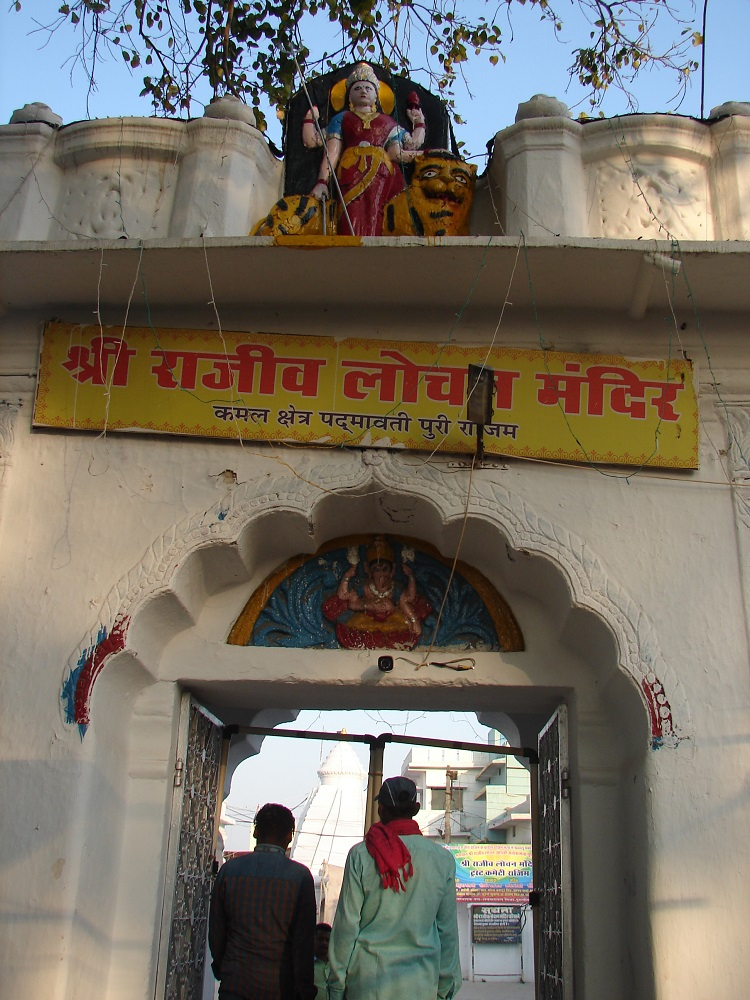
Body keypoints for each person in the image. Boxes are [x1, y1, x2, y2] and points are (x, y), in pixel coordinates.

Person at [327, 776, 462, 1000]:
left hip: (367, 983)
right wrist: (445, 988)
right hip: (421, 985)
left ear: (381, 809)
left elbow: (347, 925)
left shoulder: (361, 855)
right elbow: (447, 930)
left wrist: (337, 984)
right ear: (416, 808)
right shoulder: (442, 860)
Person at [209, 802, 317, 1000]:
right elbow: (303, 943)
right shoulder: (300, 877)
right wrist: (304, 988)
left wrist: (224, 967)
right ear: (289, 836)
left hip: (235, 983)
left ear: (256, 831)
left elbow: (217, 932)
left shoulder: (230, 871)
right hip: (280, 987)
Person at [302, 62, 425, 235]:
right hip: (350, 170)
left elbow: (407, 147)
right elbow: (326, 149)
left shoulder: (387, 122)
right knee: (349, 215)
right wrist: (322, 182)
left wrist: (419, 121)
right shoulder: (342, 119)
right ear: (349, 96)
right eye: (357, 88)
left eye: (368, 88)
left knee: (379, 213)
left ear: (376, 96)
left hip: (382, 173)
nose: (363, 91)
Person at [322, 537, 432, 650]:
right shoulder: (364, 586)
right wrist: (368, 604)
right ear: (369, 571)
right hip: (366, 620)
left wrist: (410, 577)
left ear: (392, 571)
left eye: (384, 569)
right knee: (356, 631)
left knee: (403, 632)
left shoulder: (395, 587)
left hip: (393, 620)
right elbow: (347, 600)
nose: (380, 574)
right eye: (376, 569)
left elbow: (407, 599)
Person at [313, 922, 332, 996]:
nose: (324, 943)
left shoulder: (336, 966)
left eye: (327, 940)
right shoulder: (306, 966)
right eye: (320, 939)